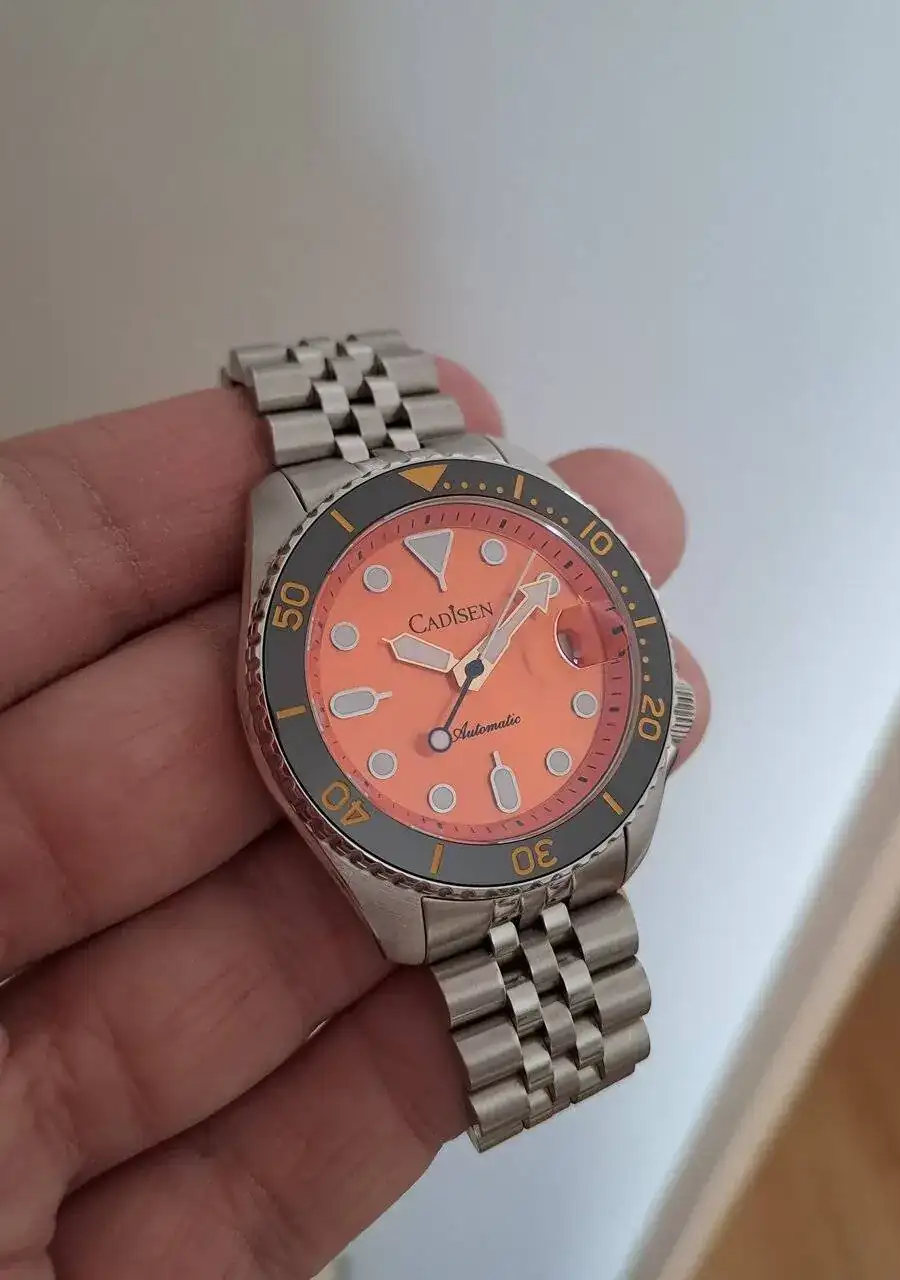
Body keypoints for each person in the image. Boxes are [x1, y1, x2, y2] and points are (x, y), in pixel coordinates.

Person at [0, 360, 709, 1279]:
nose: (469, 674)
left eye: (469, 669)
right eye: (464, 671)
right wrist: (450, 668)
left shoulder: (511, 504)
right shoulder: (294, 531)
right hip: (436, 850)